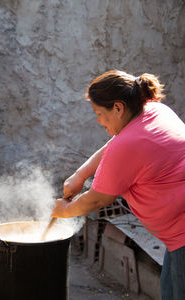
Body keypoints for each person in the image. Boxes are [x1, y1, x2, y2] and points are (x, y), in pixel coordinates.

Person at [52, 70, 185, 300]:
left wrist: (64, 212)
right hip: (177, 236)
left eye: (99, 113)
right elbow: (117, 141)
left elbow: (97, 199)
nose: (98, 120)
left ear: (118, 108)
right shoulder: (153, 109)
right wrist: (80, 174)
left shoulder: (129, 143)